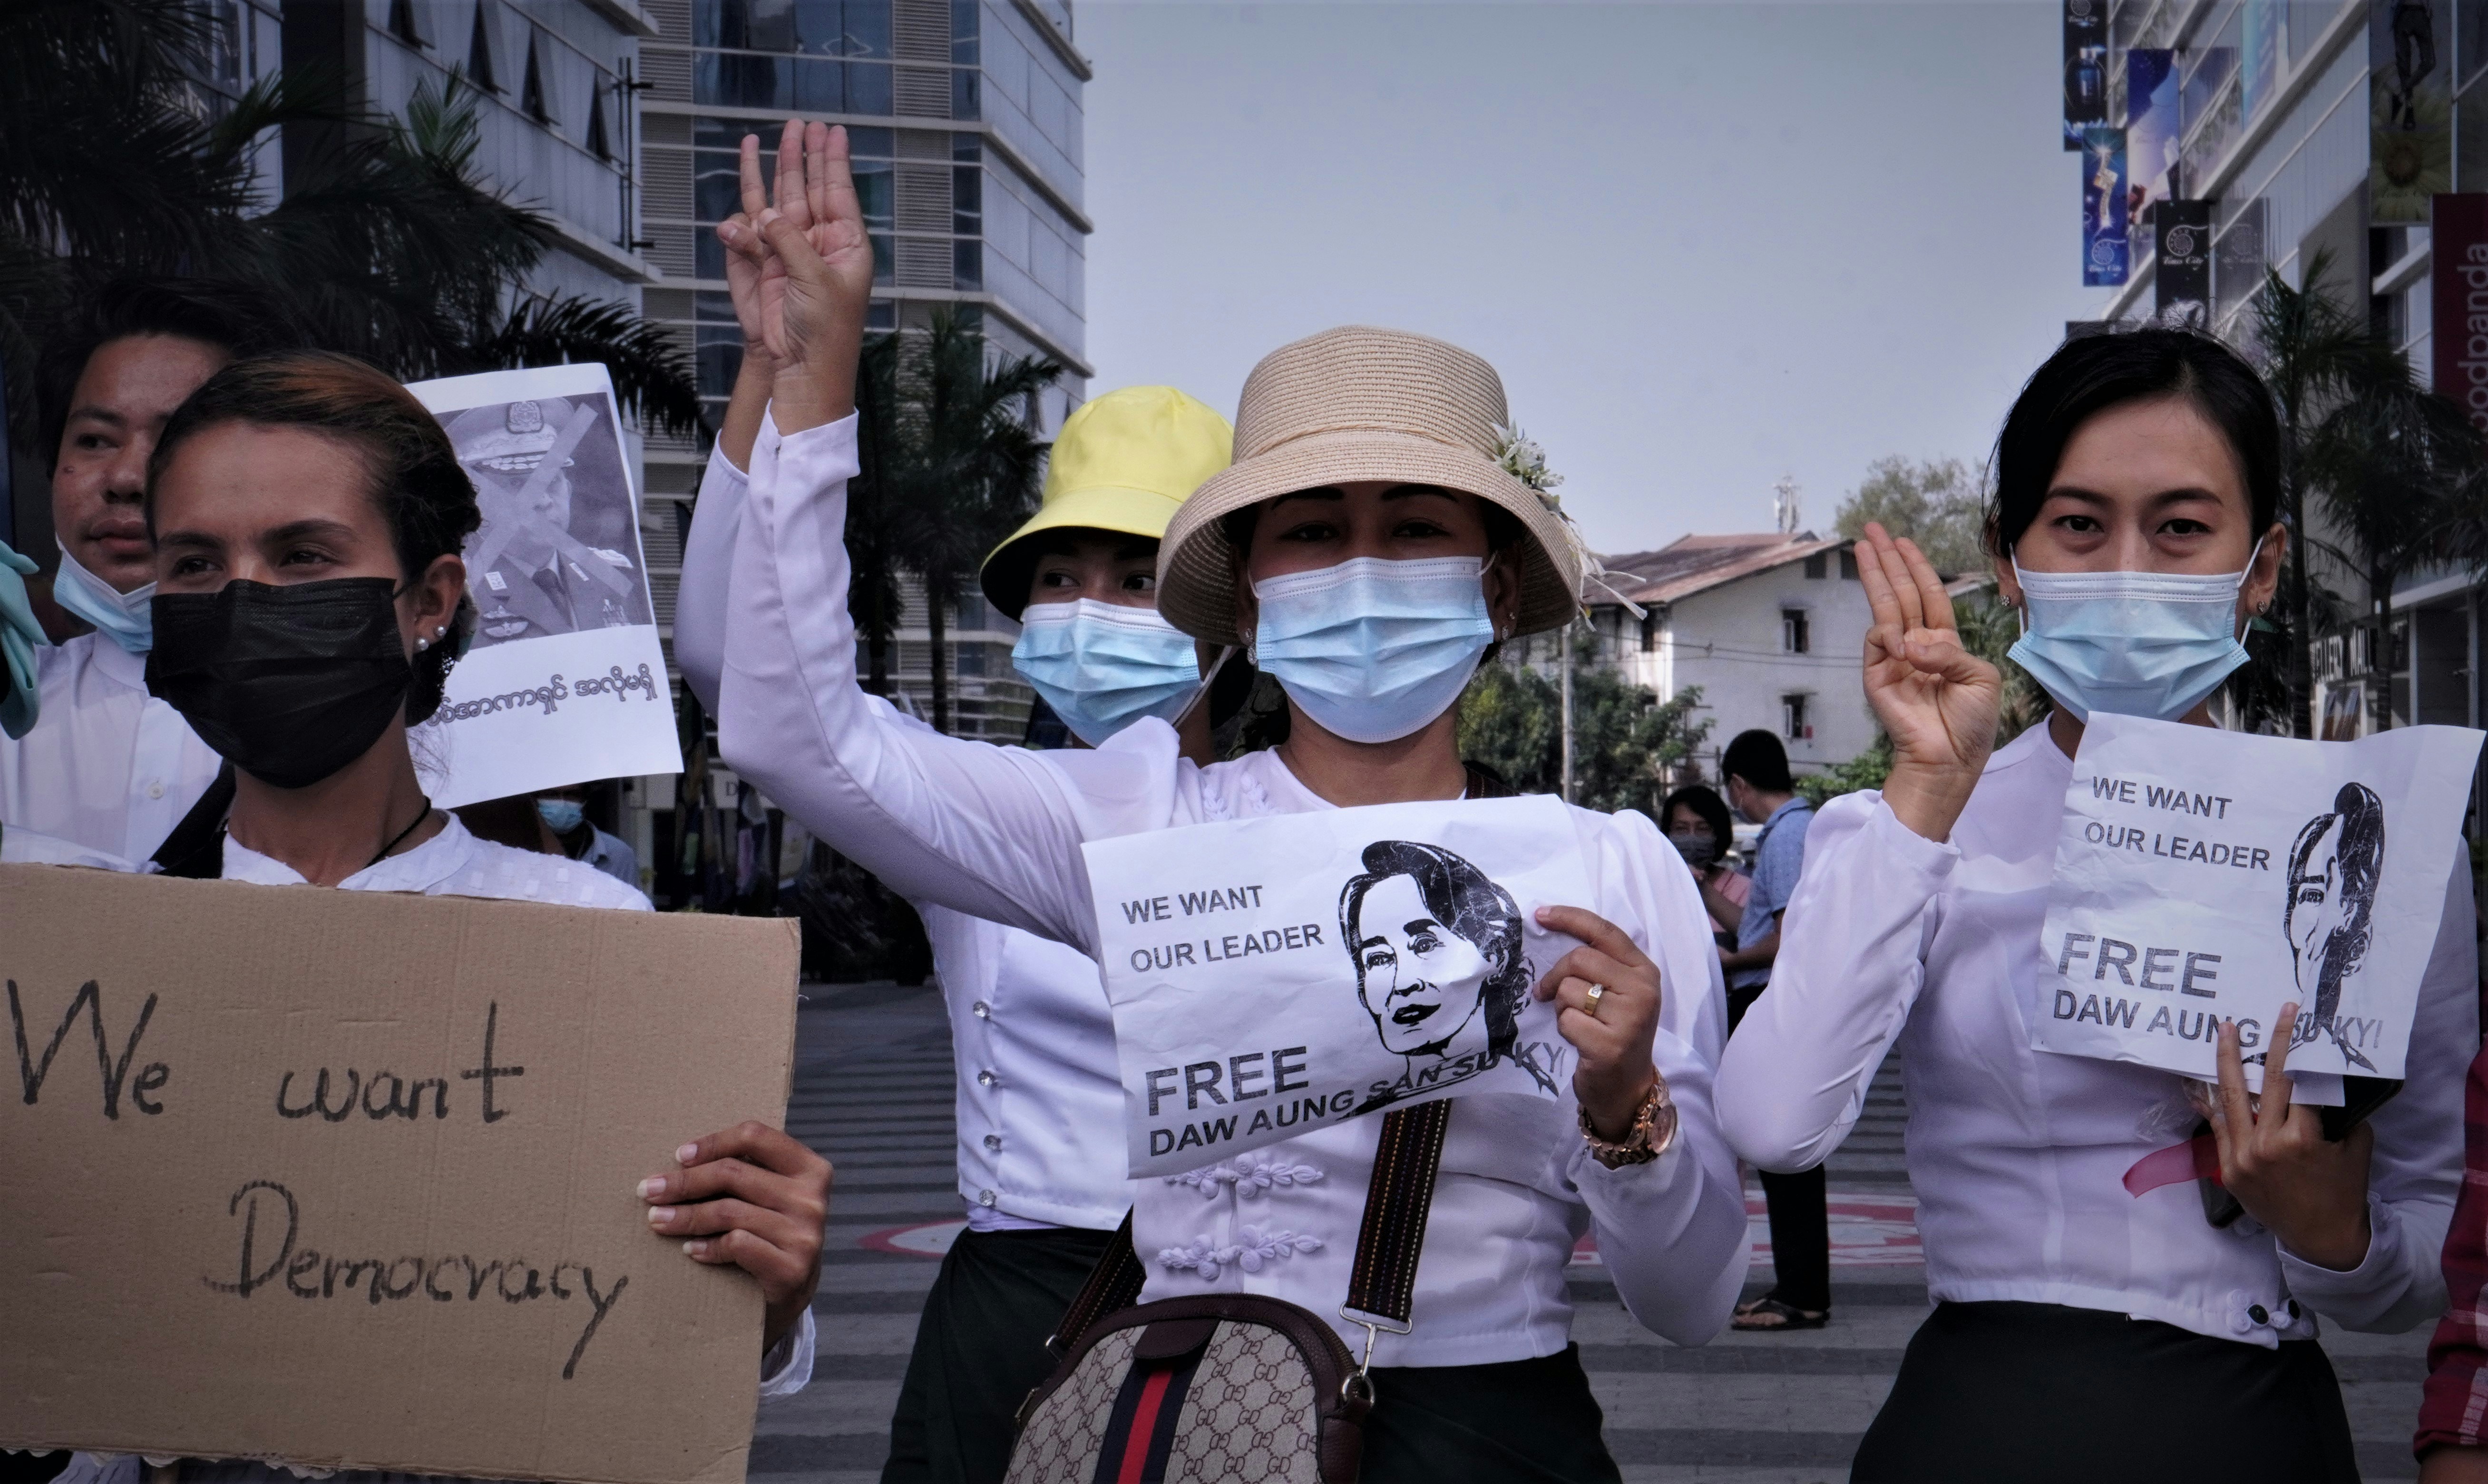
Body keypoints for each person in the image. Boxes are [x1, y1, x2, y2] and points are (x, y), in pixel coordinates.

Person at [711, 119, 1746, 1482]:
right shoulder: (1137, 822)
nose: (1361, 567)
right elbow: (792, 729)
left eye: (1415, 526)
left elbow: (1692, 1302)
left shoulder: (1608, 872)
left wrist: (1627, 1116)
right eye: (1314, 530)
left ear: (1495, 592)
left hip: (1487, 1432)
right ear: (1248, 600)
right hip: (1204, 1423)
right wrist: (808, 373)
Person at [27, 349, 829, 1484]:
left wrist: (767, 1281)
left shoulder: (591, 936)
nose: (245, 597)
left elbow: (643, 1347)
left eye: (303, 555)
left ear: (430, 599)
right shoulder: (82, 975)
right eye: (197, 562)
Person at [1715, 329, 2471, 1483]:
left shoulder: (2379, 850)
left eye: (2179, 527)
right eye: (2077, 525)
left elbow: (2422, 1243)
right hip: (1980, 1418)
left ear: (2259, 567)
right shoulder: (1908, 826)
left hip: (2250, 1418)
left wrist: (2332, 1231)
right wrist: (1923, 793)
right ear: (2009, 563)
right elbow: (1773, 1124)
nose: (2127, 567)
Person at [672, 122, 1246, 1484]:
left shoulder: (1295, 818)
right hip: (1011, 1305)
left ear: (1230, 615)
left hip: (1238, 1303)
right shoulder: (980, 809)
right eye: (1060, 577)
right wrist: (781, 363)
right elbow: (726, 658)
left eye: (1134, 577)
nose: (1089, 610)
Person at [0, 278, 302, 864]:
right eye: (94, 439)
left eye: (177, 440)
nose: (127, 478)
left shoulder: (366, 723)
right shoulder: (9, 712)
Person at [1712, 730, 1828, 1333]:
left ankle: (1803, 1293)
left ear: (1737, 785)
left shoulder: (1785, 835)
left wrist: (1727, 962)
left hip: (1767, 998)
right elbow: (1761, 917)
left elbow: (1784, 939)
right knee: (1784, 1148)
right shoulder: (1801, 828)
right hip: (1779, 998)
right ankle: (1795, 1285)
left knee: (1782, 1149)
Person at [1658, 783, 1749, 950]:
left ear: (1718, 834)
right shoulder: (1653, 886)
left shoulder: (1743, 889)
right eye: (1681, 829)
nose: (1692, 837)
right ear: (1667, 834)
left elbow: (1756, 937)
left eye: (1703, 829)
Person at [537, 782, 639, 886]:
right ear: (535, 799)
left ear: (585, 799)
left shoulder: (618, 855)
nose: (562, 803)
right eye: (550, 795)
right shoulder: (522, 852)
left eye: (571, 795)